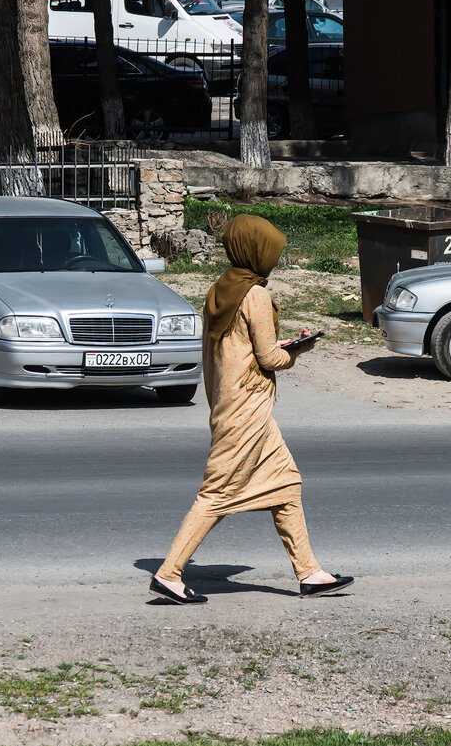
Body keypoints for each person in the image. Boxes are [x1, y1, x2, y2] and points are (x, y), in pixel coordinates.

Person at [150, 214, 354, 604]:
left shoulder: (221, 289)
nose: (275, 259)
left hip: (231, 404)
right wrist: (299, 350)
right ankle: (169, 573)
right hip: (247, 409)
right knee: (217, 493)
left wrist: (283, 347)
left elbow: (237, 352)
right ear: (255, 251)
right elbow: (268, 358)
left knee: (286, 483)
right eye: (272, 252)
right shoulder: (255, 294)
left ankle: (310, 573)